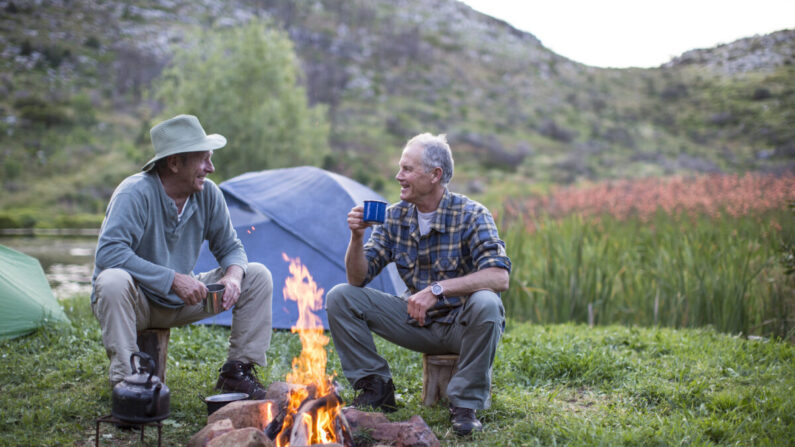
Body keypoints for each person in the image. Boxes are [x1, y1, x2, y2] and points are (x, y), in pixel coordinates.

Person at [326, 133, 511, 436]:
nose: (399, 176)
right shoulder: (393, 217)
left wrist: (437, 289)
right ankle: (376, 388)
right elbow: (357, 278)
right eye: (400, 168)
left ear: (435, 175)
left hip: (462, 327)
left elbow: (499, 277)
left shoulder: (472, 214)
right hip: (417, 322)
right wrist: (357, 237)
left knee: (488, 302)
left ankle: (465, 404)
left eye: (408, 170)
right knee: (341, 297)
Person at [91, 114, 273, 399]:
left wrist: (233, 277)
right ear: (174, 163)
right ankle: (127, 385)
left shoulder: (208, 195)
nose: (211, 168)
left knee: (257, 275)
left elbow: (231, 247)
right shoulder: (134, 193)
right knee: (112, 280)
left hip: (180, 302)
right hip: (135, 302)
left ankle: (237, 373)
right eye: (203, 159)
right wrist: (173, 279)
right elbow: (109, 253)